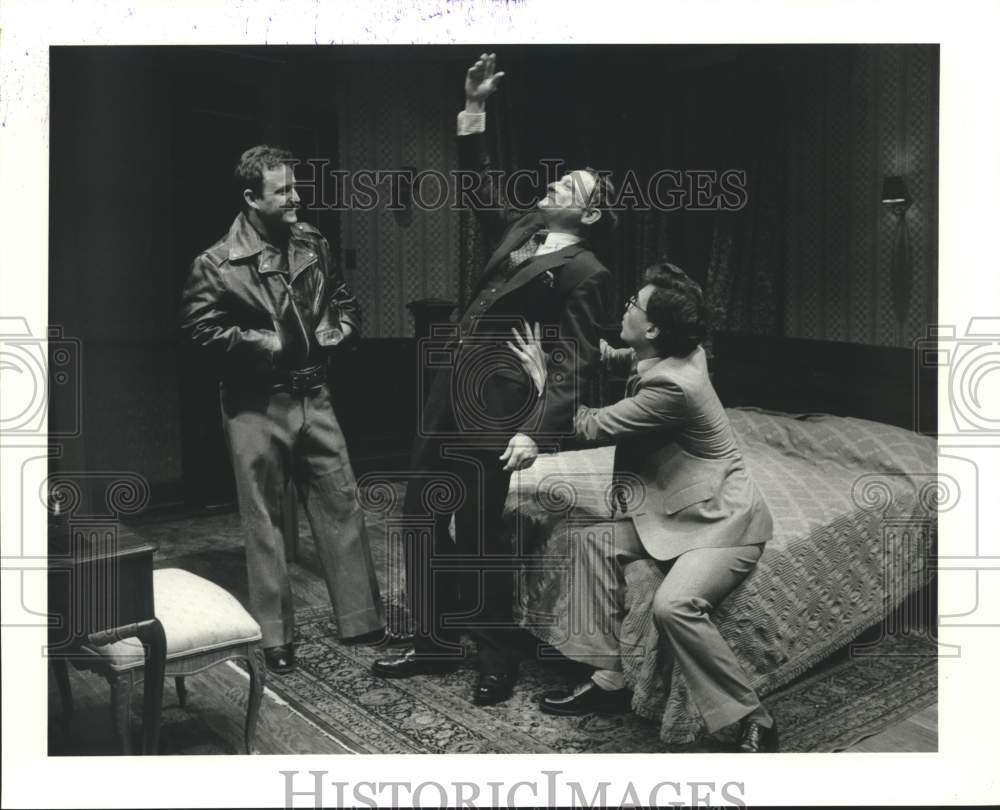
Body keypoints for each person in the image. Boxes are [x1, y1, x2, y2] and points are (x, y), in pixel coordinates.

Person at [372, 53, 617, 706]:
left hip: (498, 410)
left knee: (480, 534)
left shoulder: (585, 273)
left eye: (573, 188)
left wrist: (539, 432)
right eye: (562, 179)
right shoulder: (522, 231)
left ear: (588, 216)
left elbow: (574, 361)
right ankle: (433, 641)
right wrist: (474, 110)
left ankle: (496, 655)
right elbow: (480, 187)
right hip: (448, 390)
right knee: (422, 515)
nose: (558, 186)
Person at [508, 263, 779, 752]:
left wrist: (544, 383)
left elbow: (591, 426)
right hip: (675, 514)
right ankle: (611, 675)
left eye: (634, 303)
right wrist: (560, 352)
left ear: (652, 329)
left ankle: (753, 717)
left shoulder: (674, 388)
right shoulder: (681, 354)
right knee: (585, 538)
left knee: (673, 607)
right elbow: (615, 358)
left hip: (722, 523)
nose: (625, 307)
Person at [180, 145, 385, 674]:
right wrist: (266, 342)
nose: (297, 197)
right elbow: (200, 333)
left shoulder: (311, 241)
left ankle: (362, 619)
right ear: (251, 197)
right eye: (284, 191)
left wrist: (342, 328)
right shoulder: (216, 262)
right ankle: (276, 637)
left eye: (296, 186)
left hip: (315, 394)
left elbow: (341, 297)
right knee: (265, 520)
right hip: (255, 405)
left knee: (341, 500)